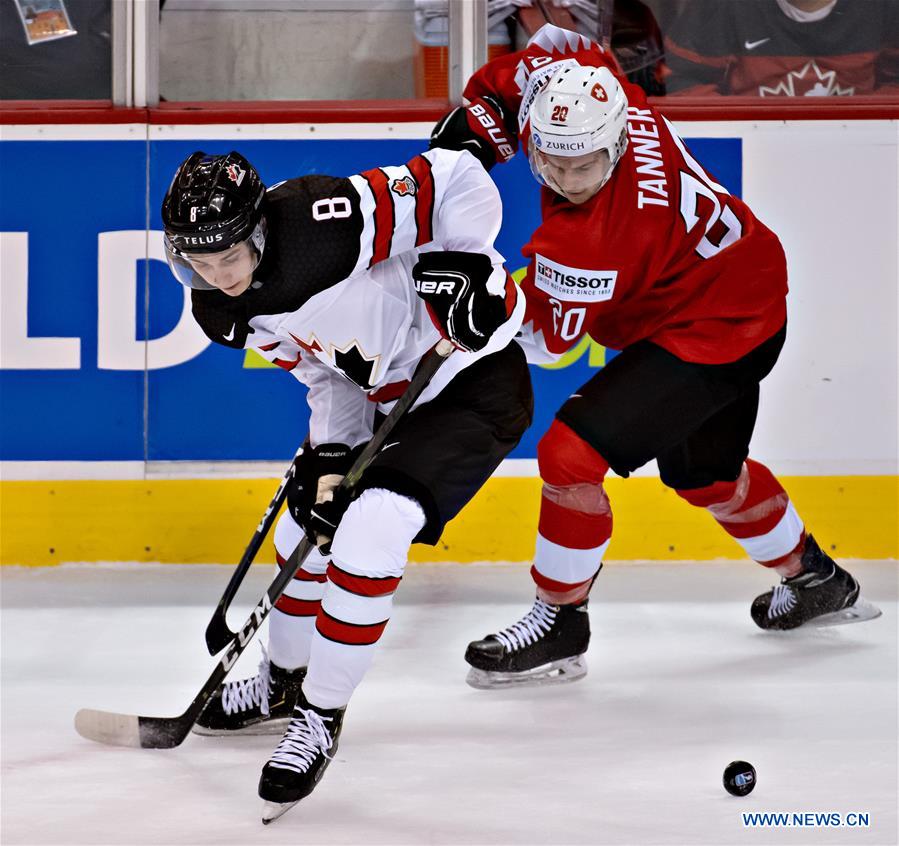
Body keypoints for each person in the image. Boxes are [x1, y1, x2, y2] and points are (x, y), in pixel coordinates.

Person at [427, 22, 879, 689]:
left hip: (713, 328)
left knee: (569, 456)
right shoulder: (610, 93)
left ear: (613, 146)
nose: (566, 178)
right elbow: (549, 51)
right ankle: (815, 579)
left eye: (583, 165)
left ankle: (560, 621)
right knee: (706, 478)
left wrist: (476, 312)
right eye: (550, 161)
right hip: (745, 288)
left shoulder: (591, 241)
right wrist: (485, 109)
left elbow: (547, 344)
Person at [160, 148, 532, 819]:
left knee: (370, 532)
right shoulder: (221, 309)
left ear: (258, 230)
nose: (216, 277)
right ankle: (281, 684)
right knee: (303, 530)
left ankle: (320, 716)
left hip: (472, 386)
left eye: (228, 257)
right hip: (388, 404)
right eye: (198, 263)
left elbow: (456, 174)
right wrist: (332, 452)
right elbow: (326, 374)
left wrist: (471, 265)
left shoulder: (323, 219)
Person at [664, 0, 899, 97]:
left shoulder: (886, 7)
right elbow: (677, 80)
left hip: (862, 154)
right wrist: (736, 124)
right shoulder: (721, 6)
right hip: (752, 155)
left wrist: (872, 126)